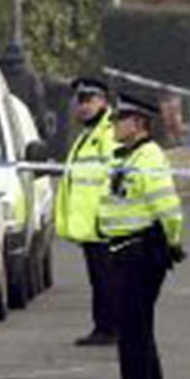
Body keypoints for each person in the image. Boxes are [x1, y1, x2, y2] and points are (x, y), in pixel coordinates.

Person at [100, 92, 184, 379]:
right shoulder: (128, 156)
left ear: (138, 124)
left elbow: (167, 204)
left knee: (133, 331)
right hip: (125, 248)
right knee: (139, 328)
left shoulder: (148, 158)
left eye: (120, 120)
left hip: (140, 250)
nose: (114, 126)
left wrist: (173, 241)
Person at [57, 77, 120, 347]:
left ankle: (110, 329)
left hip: (103, 223)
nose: (83, 107)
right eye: (80, 101)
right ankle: (103, 326)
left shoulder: (107, 135)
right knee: (99, 279)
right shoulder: (87, 136)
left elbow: (116, 178)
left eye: (89, 101)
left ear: (104, 102)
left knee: (107, 280)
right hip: (90, 225)